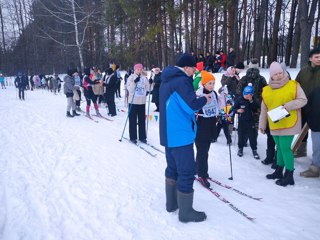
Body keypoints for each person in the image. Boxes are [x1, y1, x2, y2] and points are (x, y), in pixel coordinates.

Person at [159, 53, 211, 223]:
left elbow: (178, 103)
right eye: (193, 68)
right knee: (187, 171)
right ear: (187, 67)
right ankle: (186, 212)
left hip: (169, 134)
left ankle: (171, 204)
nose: (194, 71)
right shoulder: (181, 81)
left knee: (172, 169)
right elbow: (191, 106)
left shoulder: (167, 79)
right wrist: (204, 98)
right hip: (180, 135)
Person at [259, 62, 307, 187]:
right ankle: (279, 171)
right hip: (274, 124)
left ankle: (289, 175)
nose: (279, 76)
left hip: (290, 122)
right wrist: (262, 125)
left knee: (285, 148)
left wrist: (288, 106)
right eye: (276, 74)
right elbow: (264, 109)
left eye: (280, 72)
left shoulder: (293, 85)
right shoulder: (266, 90)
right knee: (279, 148)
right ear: (271, 76)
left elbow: (303, 100)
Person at [236, 60, 268, 162]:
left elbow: (238, 91)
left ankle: (244, 141)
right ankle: (253, 141)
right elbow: (266, 92)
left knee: (244, 123)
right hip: (257, 106)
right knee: (254, 124)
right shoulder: (262, 79)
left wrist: (241, 101)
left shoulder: (244, 78)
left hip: (245, 106)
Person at [298, 48, 320, 177]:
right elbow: (296, 86)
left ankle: (316, 166)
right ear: (310, 58)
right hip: (304, 106)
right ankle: (301, 150)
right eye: (316, 57)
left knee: (317, 138)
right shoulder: (303, 71)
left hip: (318, 109)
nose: (319, 59)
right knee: (302, 130)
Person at [195, 71, 219, 188]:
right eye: (209, 83)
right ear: (203, 84)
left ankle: (197, 168)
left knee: (204, 150)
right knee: (202, 151)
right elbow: (194, 108)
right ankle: (202, 174)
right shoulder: (198, 94)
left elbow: (218, 106)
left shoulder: (214, 93)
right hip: (201, 125)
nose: (212, 86)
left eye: (213, 83)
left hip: (210, 125)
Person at [231, 83, 260, 159]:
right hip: (242, 121)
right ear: (243, 93)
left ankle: (254, 150)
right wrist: (237, 110)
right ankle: (240, 148)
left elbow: (256, 108)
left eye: (250, 95)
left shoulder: (253, 100)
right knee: (241, 136)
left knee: (252, 136)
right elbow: (233, 109)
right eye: (246, 94)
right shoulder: (239, 100)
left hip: (251, 121)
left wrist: (251, 101)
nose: (247, 96)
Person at [126, 63, 149, 144]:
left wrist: (151, 83)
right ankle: (133, 137)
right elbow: (129, 89)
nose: (139, 71)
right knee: (132, 120)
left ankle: (142, 137)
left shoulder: (144, 78)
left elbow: (148, 88)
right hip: (133, 102)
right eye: (137, 69)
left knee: (142, 120)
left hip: (142, 102)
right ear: (134, 69)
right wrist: (134, 82)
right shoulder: (131, 77)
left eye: (140, 69)